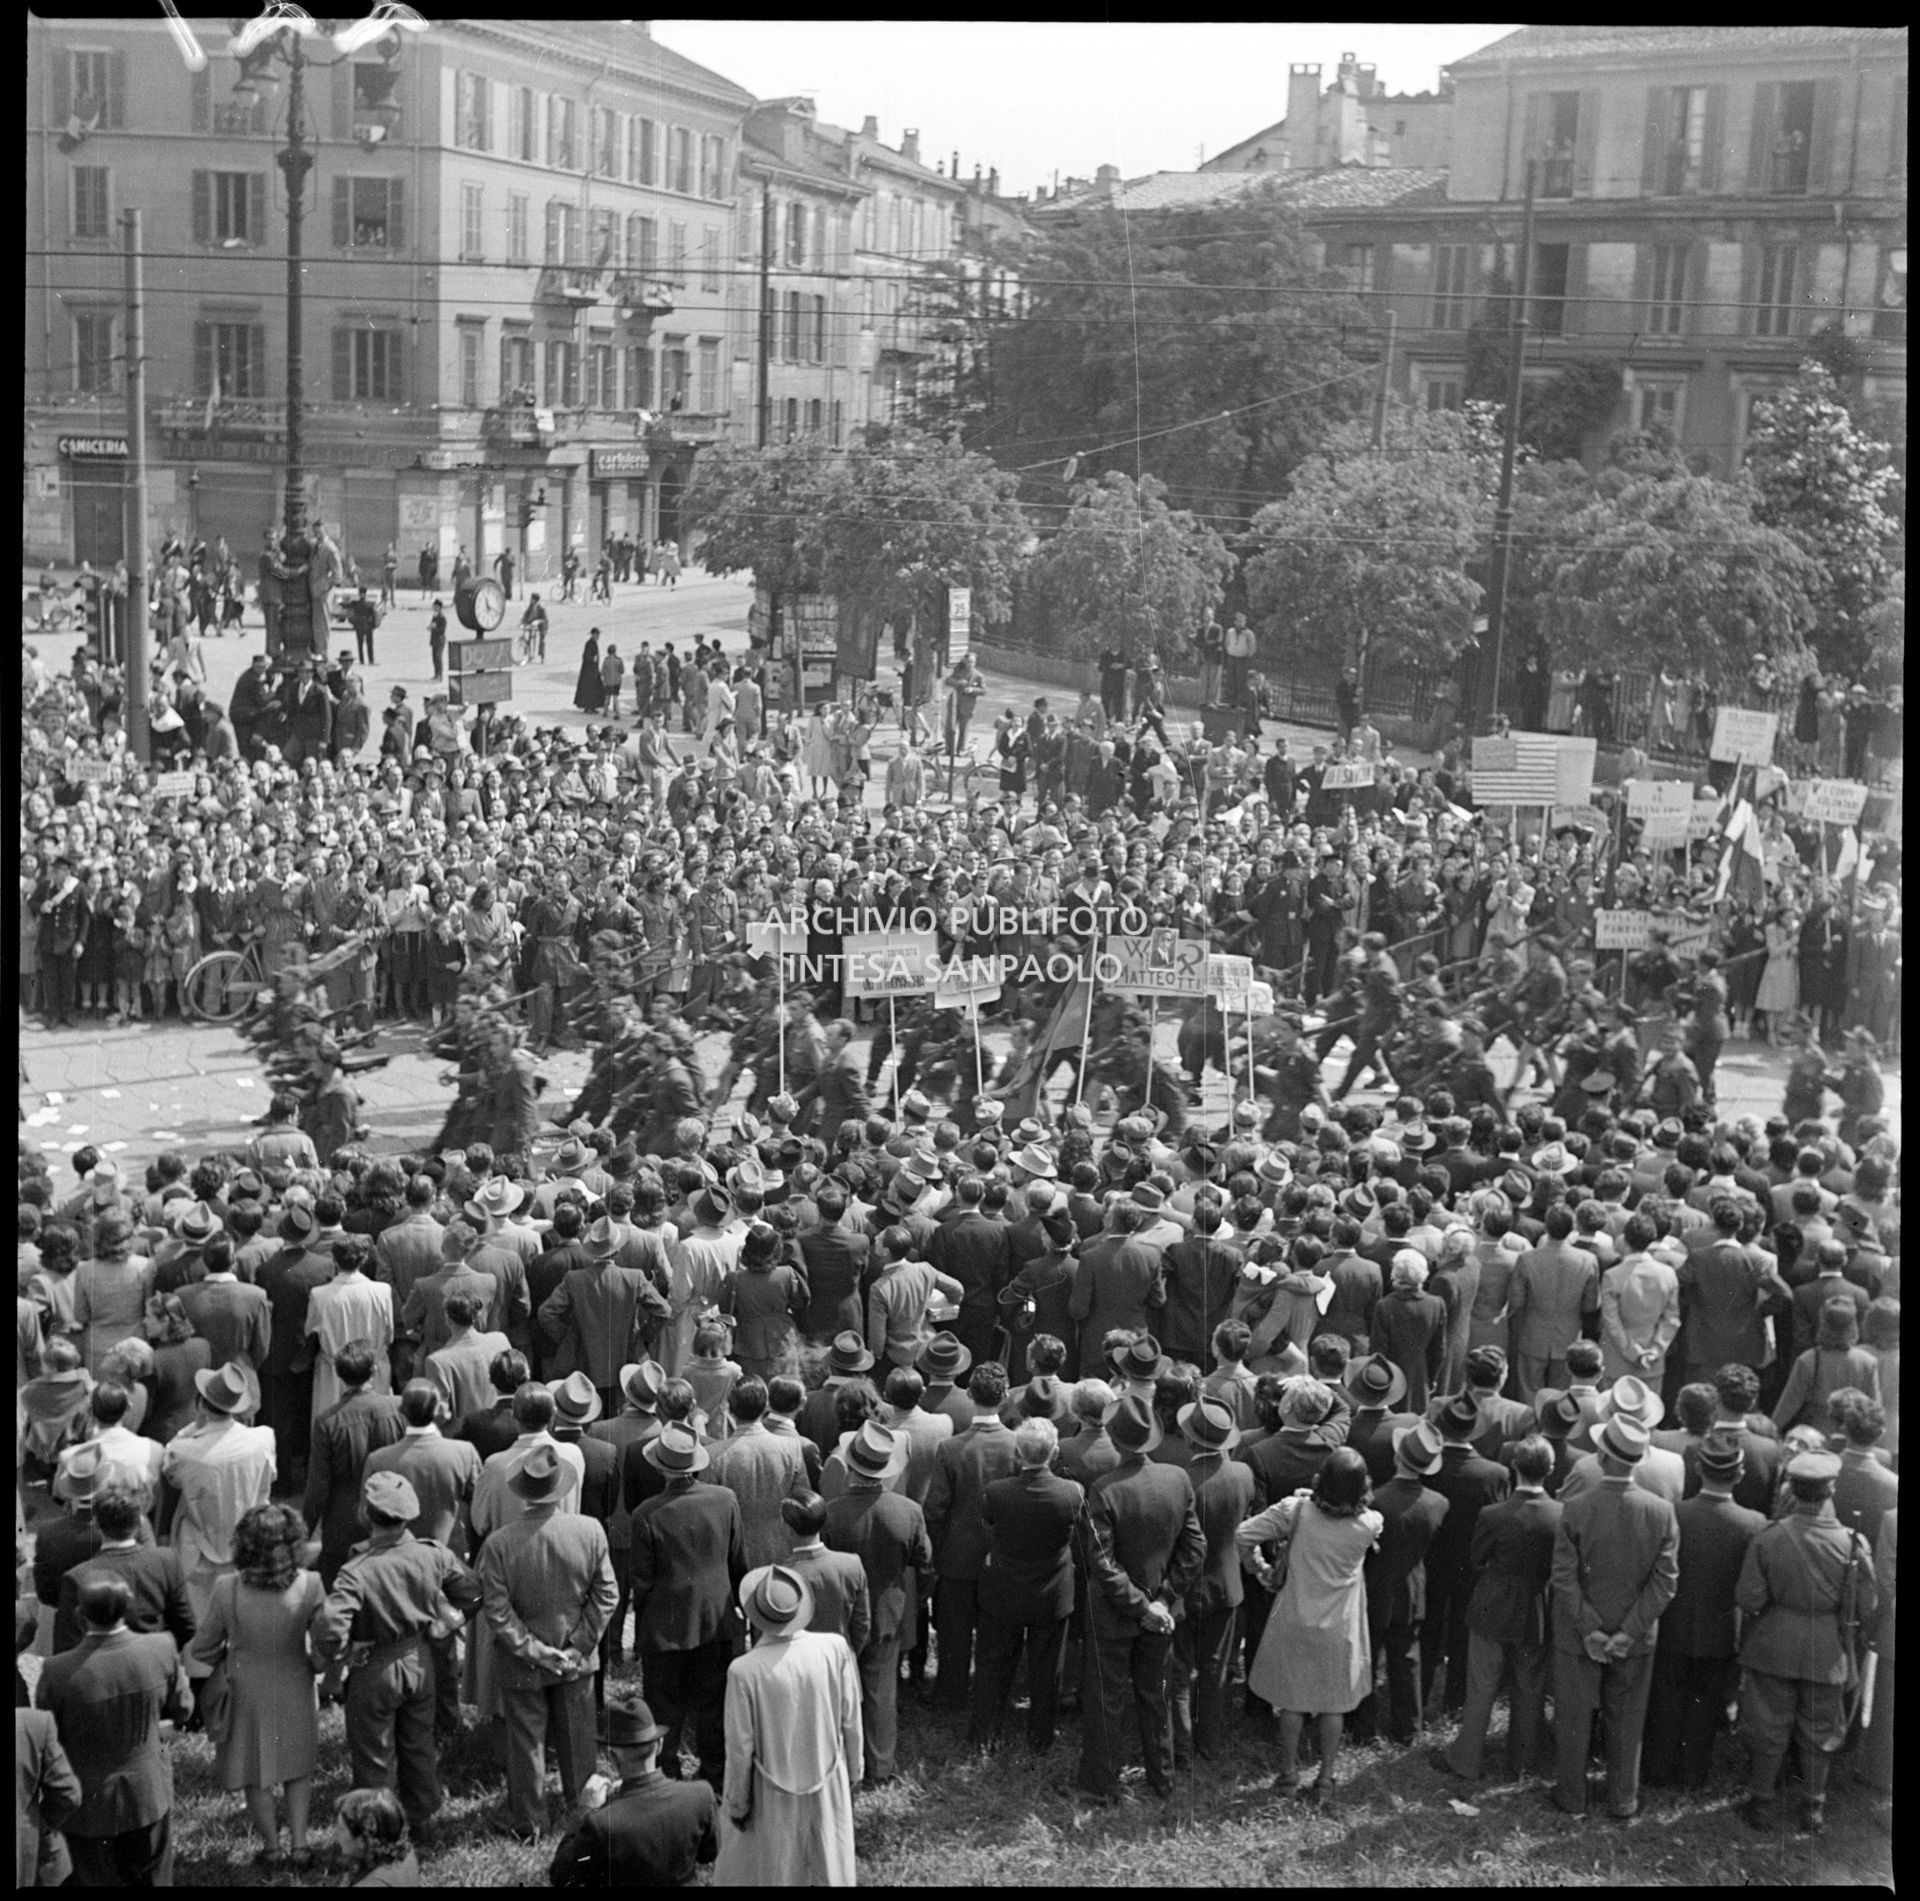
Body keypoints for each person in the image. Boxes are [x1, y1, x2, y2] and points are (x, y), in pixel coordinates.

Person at [317, 1469, 484, 1842]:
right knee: (419, 1745)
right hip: (420, 1661)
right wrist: (450, 1623)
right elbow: (473, 1591)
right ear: (409, 1515)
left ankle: (379, 1836)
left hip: (374, 1667)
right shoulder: (433, 1554)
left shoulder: (356, 1571)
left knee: (374, 1754)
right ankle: (422, 1823)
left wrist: (344, 1653)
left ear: (365, 1514)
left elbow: (329, 1628)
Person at [479, 1444, 617, 1840]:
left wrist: (536, 1652)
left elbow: (497, 1613)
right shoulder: (589, 1530)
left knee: (525, 1744)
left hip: (523, 1662)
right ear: (560, 1488)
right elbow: (607, 1594)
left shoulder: (499, 1544)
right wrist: (578, 1646)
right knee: (579, 1741)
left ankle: (530, 1821)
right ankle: (586, 1816)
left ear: (522, 1491)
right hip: (577, 1659)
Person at [1074, 1393, 1206, 1806]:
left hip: (1116, 1614)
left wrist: (1141, 1606)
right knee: (1156, 1695)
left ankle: (1102, 1784)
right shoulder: (1178, 1478)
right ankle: (1162, 1780)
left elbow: (1102, 1562)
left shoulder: (1104, 1489)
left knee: (1107, 1699)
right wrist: (1163, 1601)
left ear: (1114, 1439)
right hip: (1162, 1615)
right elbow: (1194, 1548)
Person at [1548, 1414, 1680, 1820]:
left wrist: (1590, 1629)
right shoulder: (1662, 1512)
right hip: (1636, 1638)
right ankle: (1623, 1799)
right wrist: (1628, 1632)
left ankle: (1572, 1797)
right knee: (1627, 1720)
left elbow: (1563, 1577)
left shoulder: (1575, 1508)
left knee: (1573, 1716)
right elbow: (1665, 1582)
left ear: (1602, 1455)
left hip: (1578, 1633)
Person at [185, 1501, 329, 1869]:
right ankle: (300, 1845)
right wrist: (317, 1663)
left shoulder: (227, 1588)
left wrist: (229, 1659)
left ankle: (272, 1847)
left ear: (245, 1545)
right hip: (296, 1679)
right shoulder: (311, 1584)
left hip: (246, 1688)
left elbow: (202, 1648)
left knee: (255, 1772)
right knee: (298, 1767)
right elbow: (326, 1642)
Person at [1236, 1445, 1383, 1801]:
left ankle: (1288, 1774)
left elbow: (1243, 1534)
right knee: (1334, 1704)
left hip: (1296, 1615)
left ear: (1320, 1480)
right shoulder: (1370, 1524)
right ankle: (1327, 1778)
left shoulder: (1295, 1510)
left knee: (1292, 1701)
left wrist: (1261, 1570)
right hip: (1341, 1625)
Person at [35, 1574, 193, 1888]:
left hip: (86, 1805)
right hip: (148, 1792)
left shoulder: (57, 1670)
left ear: (80, 1615)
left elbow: (46, 1739)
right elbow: (183, 1707)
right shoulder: (161, 1647)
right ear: (126, 1608)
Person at [712, 1563, 862, 1887]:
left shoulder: (744, 1670)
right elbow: (851, 1718)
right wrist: (854, 1769)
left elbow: (739, 1748)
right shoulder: (833, 1648)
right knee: (827, 1862)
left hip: (771, 1791)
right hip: (827, 1778)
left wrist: (737, 1805)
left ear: (754, 1615)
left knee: (776, 1866)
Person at [1639, 1432, 1766, 1790]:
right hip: (1719, 1629)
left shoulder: (1673, 1512)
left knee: (1665, 1697)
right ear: (1739, 1474)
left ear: (1698, 1469)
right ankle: (1693, 1774)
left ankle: (1657, 1771)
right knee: (1703, 1703)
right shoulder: (1753, 1523)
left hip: (1671, 1622)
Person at [1433, 1430, 1559, 1781]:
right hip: (1535, 1608)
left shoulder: (1493, 1514)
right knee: (1529, 1687)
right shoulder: (1560, 1514)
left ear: (1515, 1466)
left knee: (1482, 1685)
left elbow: (1476, 1558)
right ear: (1550, 1469)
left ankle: (1466, 1759)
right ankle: (1522, 1763)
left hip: (1492, 1603)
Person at [629, 1422, 746, 1793]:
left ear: (661, 1468)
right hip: (716, 1618)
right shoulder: (725, 1499)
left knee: (664, 1709)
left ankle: (667, 1777)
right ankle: (715, 1776)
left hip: (665, 1624)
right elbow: (738, 1561)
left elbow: (641, 1579)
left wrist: (642, 1626)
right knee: (714, 1704)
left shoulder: (647, 1513)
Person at [968, 1415, 1083, 1754]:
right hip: (1052, 1594)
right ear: (1055, 1452)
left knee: (993, 1664)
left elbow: (989, 1526)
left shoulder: (997, 1493)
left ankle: (985, 1735)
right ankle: (1040, 1737)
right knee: (1047, 1669)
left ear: (1018, 1454)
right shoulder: (1072, 1493)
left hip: (1004, 1592)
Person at [548, 1691, 719, 1887]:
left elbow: (561, 1875)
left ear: (611, 1756)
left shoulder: (601, 1824)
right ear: (660, 1745)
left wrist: (584, 1810)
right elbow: (708, 1854)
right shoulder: (701, 1795)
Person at [160, 1360, 278, 1622]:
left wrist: (193, 1426)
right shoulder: (263, 1439)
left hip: (200, 1547)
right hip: (248, 1543)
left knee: (201, 1622)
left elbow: (171, 1469)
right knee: (243, 1619)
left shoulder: (185, 1451)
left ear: (201, 1404)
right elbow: (270, 1477)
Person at [328, 1786, 420, 1888]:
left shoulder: (372, 1883)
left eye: (341, 1829)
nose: (337, 1835)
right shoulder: (405, 1853)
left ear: (363, 1840)